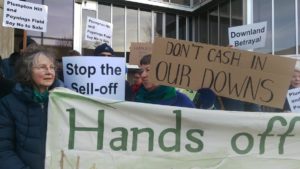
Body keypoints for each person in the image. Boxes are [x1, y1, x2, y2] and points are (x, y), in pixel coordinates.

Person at [0, 45, 63, 169]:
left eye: (52, 67)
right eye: (42, 67)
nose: (49, 72)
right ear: (27, 71)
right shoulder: (8, 104)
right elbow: (3, 150)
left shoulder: (65, 102)